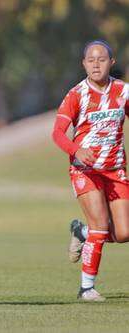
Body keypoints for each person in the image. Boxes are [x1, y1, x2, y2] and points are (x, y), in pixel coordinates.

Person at [52, 40, 129, 301]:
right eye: (91, 60)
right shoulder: (76, 95)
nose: (96, 64)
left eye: (102, 59)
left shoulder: (123, 92)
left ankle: (81, 233)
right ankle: (87, 288)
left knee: (124, 233)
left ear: (112, 63)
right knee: (99, 225)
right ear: (84, 64)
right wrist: (76, 150)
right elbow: (57, 134)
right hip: (85, 170)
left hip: (116, 169)